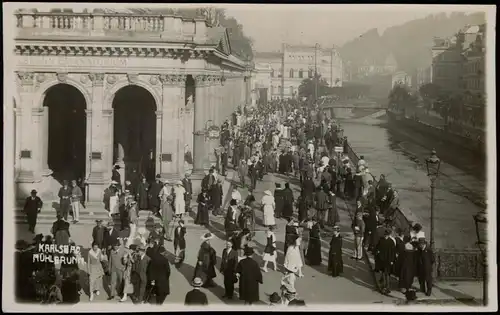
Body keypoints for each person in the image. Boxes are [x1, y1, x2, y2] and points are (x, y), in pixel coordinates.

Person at [374, 228, 396, 294]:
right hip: (384, 260)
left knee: (386, 274)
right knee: (384, 273)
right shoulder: (389, 242)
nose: (385, 236)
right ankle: (385, 287)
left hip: (386, 260)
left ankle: (386, 287)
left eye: (386, 234)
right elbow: (377, 248)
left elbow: (392, 252)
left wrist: (392, 260)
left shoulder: (386, 241)